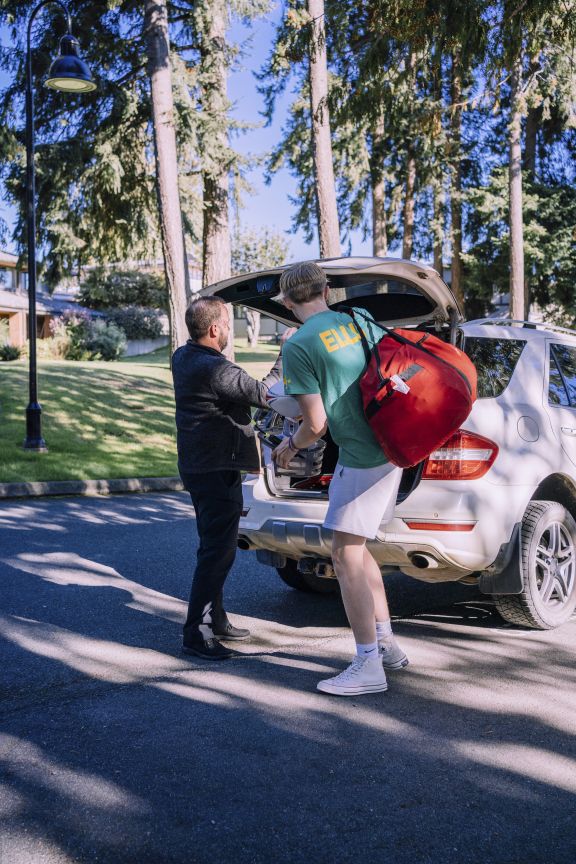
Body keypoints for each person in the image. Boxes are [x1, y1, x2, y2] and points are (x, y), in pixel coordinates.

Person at [273, 262, 408, 696]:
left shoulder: (299, 345)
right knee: (357, 545)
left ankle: (368, 663)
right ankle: (386, 645)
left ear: (288, 302)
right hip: (393, 447)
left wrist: (289, 447)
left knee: (343, 552)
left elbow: (315, 425)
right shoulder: (359, 319)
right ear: (326, 290)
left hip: (361, 454)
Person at [172, 296, 284, 660]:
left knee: (212, 545)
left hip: (199, 466)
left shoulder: (182, 357)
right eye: (227, 322)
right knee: (216, 552)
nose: (230, 330)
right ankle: (198, 632)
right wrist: (286, 354)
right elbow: (264, 394)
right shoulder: (217, 369)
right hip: (217, 469)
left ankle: (216, 619)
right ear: (215, 329)